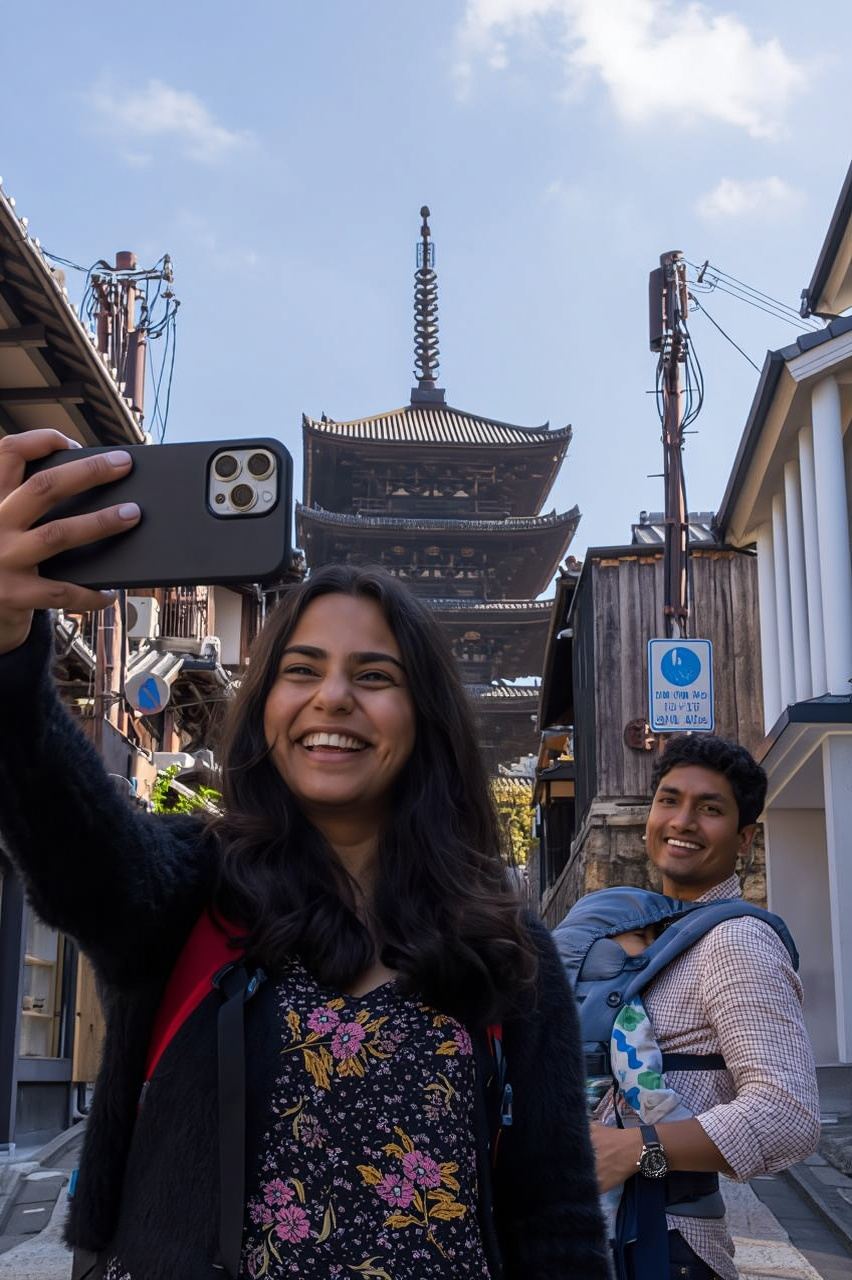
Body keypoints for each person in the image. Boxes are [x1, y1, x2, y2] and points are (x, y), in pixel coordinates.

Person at [0, 429, 609, 1280]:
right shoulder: (187, 890)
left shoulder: (507, 951)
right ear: (265, 707)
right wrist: (6, 648)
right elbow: (68, 842)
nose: (333, 697)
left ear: (424, 718)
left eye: (375, 675)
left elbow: (558, 1221)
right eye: (302, 669)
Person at [589, 734, 821, 1280]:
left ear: (744, 839)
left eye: (709, 808)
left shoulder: (734, 941)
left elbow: (789, 1115)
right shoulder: (653, 934)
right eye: (669, 800)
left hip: (668, 1248)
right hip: (619, 1236)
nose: (682, 821)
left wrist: (634, 1150)